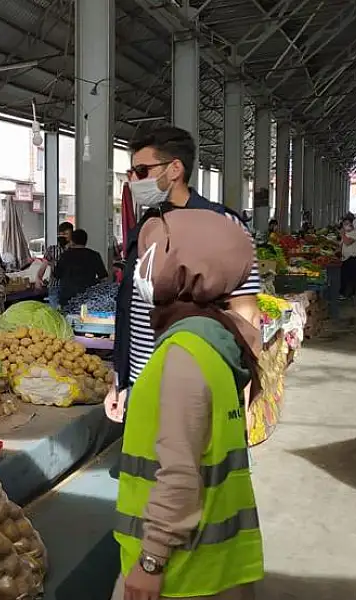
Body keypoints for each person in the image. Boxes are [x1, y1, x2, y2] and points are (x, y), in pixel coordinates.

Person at [105, 209, 263, 600]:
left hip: (180, 578)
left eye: (145, 258)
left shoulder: (182, 356)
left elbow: (178, 474)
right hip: (216, 571)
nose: (139, 270)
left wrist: (152, 561)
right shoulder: (213, 340)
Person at [109, 126, 260, 425]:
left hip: (197, 381)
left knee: (191, 468)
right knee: (145, 469)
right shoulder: (147, 227)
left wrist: (240, 390)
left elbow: (246, 312)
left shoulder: (222, 224)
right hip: (142, 381)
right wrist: (119, 380)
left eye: (141, 170)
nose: (133, 181)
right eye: (131, 172)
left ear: (175, 168)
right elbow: (132, 308)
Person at [52, 229, 108, 308]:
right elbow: (103, 277)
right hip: (88, 297)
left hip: (67, 297)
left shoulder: (65, 255)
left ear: (72, 241)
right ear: (85, 241)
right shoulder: (94, 255)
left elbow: (56, 275)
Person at [43, 221, 75, 307]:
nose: (62, 236)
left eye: (65, 234)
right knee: (55, 314)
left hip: (71, 286)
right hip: (55, 286)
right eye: (60, 234)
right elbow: (43, 266)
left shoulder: (75, 250)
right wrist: (38, 277)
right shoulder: (51, 249)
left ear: (72, 234)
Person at [340, 215, 356, 300]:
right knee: (344, 277)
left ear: (352, 224)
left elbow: (347, 242)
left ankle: (349, 295)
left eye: (347, 224)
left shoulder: (355, 233)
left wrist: (342, 234)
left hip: (353, 258)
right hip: (345, 258)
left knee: (351, 278)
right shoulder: (347, 233)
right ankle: (344, 294)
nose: (345, 226)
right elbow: (341, 245)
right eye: (344, 224)